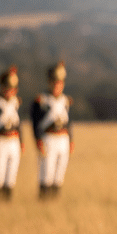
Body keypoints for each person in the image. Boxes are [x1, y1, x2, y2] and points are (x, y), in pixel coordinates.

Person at [31, 61, 72, 198]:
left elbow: (68, 122)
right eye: (54, 82)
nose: (57, 86)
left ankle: (55, 201)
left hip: (63, 139)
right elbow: (35, 122)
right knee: (46, 173)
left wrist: (71, 140)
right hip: (48, 138)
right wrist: (38, 139)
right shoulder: (41, 101)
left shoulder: (65, 101)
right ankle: (44, 201)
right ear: (49, 82)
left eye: (60, 83)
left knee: (59, 173)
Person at [0, 66, 23, 201]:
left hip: (13, 140)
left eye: (13, 88)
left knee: (11, 174)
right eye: (7, 88)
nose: (10, 91)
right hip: (0, 140)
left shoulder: (15, 103)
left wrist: (21, 142)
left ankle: (6, 202)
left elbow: (18, 124)